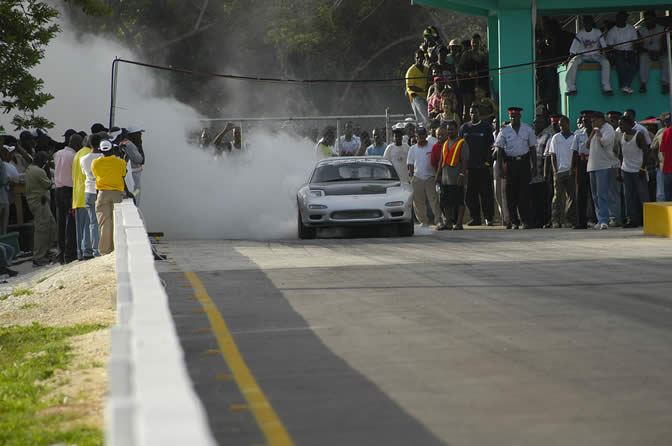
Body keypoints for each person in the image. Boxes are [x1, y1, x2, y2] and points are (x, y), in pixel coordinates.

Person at [495, 107, 537, 229]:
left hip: (524, 163)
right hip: (511, 164)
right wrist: (499, 167)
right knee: (510, 194)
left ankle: (526, 221)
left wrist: (533, 166)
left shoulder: (527, 129)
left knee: (524, 194)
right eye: (511, 116)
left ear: (520, 117)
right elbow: (499, 150)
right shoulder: (504, 131)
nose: (513, 118)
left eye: (516, 116)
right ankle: (514, 221)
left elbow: (533, 149)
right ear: (509, 117)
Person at [459, 104, 494, 226]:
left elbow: (491, 146)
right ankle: (476, 218)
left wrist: (487, 163)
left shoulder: (486, 127)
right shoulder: (464, 128)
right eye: (471, 112)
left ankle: (488, 218)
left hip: (483, 167)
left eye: (475, 112)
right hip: (469, 168)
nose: (473, 114)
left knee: (486, 194)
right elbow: (460, 147)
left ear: (479, 114)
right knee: (470, 195)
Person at [91, 140, 127, 255]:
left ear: (101, 150)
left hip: (102, 194)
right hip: (117, 194)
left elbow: (96, 175)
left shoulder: (95, 163)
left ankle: (105, 251)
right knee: (118, 222)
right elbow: (123, 175)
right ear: (112, 149)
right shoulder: (121, 162)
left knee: (104, 223)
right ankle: (118, 248)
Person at [586, 111, 619, 230]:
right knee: (595, 195)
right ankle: (599, 219)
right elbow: (587, 145)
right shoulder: (594, 131)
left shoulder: (607, 129)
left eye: (594, 120)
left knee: (603, 194)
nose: (592, 123)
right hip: (593, 166)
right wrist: (592, 133)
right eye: (591, 121)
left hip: (604, 166)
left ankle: (606, 219)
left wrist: (597, 132)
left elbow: (604, 142)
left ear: (601, 120)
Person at [565, 15, 613, 96]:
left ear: (592, 23)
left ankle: (607, 88)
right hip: (583, 56)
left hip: (595, 55)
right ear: (584, 24)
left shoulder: (597, 32)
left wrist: (607, 52)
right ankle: (571, 88)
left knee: (605, 62)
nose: (587, 24)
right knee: (573, 62)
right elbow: (574, 46)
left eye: (589, 22)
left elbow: (604, 46)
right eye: (586, 22)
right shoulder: (580, 33)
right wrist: (571, 56)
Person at [434, 122, 470, 230]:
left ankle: (459, 223)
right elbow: (441, 161)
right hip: (446, 179)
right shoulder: (445, 143)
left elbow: (465, 161)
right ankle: (448, 223)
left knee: (459, 201)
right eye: (448, 130)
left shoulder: (462, 143)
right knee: (446, 202)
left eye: (452, 130)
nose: (450, 132)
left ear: (457, 130)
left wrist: (462, 174)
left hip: (457, 178)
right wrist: (438, 175)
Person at [25, 151, 56, 266]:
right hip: (39, 202)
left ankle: (46, 250)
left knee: (51, 225)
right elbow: (48, 185)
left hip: (38, 201)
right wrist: (47, 168)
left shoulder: (30, 168)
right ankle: (38, 257)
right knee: (42, 229)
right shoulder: (39, 171)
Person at [618, 115, 650, 227]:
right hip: (626, 170)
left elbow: (646, 152)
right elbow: (620, 154)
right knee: (629, 196)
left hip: (638, 170)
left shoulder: (638, 135)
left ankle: (647, 220)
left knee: (642, 196)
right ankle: (632, 219)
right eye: (619, 125)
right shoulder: (622, 136)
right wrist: (619, 171)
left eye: (622, 124)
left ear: (629, 124)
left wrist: (642, 168)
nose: (620, 127)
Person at [407, 126, 441, 226]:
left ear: (426, 136)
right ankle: (423, 221)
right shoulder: (412, 149)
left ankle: (438, 221)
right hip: (417, 178)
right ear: (416, 137)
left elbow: (436, 162)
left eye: (422, 135)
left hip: (430, 178)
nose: (421, 137)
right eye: (419, 136)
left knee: (433, 200)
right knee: (418, 202)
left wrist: (436, 176)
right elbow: (410, 164)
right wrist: (412, 178)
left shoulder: (432, 146)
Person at [53, 134, 78, 264]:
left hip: (58, 190)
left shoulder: (58, 154)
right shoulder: (74, 156)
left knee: (61, 222)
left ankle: (60, 253)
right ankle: (69, 253)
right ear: (75, 144)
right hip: (69, 191)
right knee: (70, 223)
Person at [547, 116, 576, 227]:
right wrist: (555, 171)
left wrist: (573, 169)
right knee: (557, 197)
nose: (561, 127)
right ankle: (556, 220)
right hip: (559, 171)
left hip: (570, 171)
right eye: (560, 125)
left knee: (571, 196)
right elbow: (552, 155)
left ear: (568, 124)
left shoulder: (574, 137)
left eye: (563, 124)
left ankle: (569, 219)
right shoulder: (556, 137)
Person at [80, 133, 104, 257]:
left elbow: (85, 173)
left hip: (88, 190)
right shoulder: (103, 157)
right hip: (101, 191)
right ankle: (99, 249)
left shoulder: (83, 159)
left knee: (92, 222)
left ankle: (91, 250)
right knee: (102, 222)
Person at [570, 110, 594, 229]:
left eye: (588, 120)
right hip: (582, 163)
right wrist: (572, 167)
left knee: (594, 192)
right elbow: (574, 152)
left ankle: (596, 219)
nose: (585, 123)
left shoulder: (596, 133)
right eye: (584, 121)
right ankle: (581, 221)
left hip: (594, 161)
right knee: (581, 193)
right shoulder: (578, 134)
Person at [606, 11, 638, 95]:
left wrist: (634, 52)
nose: (621, 20)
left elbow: (635, 42)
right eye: (619, 18)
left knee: (634, 66)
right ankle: (625, 86)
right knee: (621, 66)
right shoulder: (612, 31)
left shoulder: (631, 28)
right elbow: (609, 47)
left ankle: (625, 85)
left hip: (630, 52)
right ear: (617, 19)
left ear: (625, 19)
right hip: (618, 52)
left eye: (623, 18)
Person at [458, 33, 489, 120]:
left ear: (480, 43)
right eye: (473, 42)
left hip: (480, 85)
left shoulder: (484, 55)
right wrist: (469, 74)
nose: (475, 44)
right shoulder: (466, 54)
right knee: (467, 107)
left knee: (482, 106)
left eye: (477, 42)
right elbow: (459, 70)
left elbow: (487, 69)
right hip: (467, 85)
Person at [637, 10, 669, 94]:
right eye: (646, 19)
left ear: (654, 19)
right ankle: (643, 84)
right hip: (647, 53)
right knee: (642, 58)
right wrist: (649, 52)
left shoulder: (662, 29)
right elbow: (638, 47)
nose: (648, 21)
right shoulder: (641, 30)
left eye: (650, 19)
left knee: (666, 59)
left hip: (660, 53)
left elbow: (665, 45)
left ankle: (665, 84)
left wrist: (659, 53)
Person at [121, 125, 145, 202]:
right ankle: (135, 204)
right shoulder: (130, 145)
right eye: (139, 134)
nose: (140, 136)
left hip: (134, 175)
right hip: (133, 175)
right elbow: (140, 159)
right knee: (136, 191)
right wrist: (140, 146)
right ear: (133, 135)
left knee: (137, 190)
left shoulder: (127, 143)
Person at [406, 49, 430, 126]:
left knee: (427, 116)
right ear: (415, 58)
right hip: (416, 96)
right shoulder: (411, 70)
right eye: (417, 57)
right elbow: (410, 86)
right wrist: (422, 90)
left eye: (421, 57)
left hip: (426, 96)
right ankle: (422, 132)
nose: (419, 59)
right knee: (422, 117)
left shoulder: (426, 69)